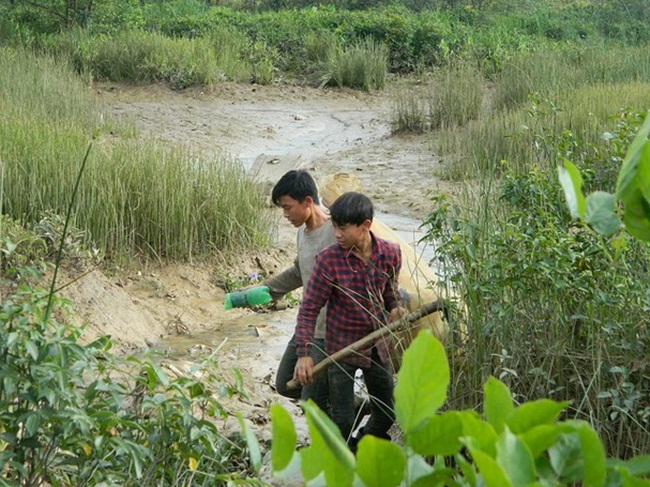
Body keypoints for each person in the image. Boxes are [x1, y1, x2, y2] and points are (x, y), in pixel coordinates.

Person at [294, 191, 402, 449]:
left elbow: (389, 291)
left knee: (387, 412)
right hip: (340, 351)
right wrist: (304, 354)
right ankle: (339, 461)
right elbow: (309, 308)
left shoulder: (390, 254)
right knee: (342, 420)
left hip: (377, 347)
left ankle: (362, 443)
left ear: (365, 226)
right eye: (335, 227)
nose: (337, 234)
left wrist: (395, 307)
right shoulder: (329, 260)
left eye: (343, 229)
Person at [260, 169, 337, 413]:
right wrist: (265, 290)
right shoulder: (303, 234)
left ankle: (333, 435)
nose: (284, 214)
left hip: (328, 332)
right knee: (284, 383)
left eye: (287, 207)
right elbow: (298, 271)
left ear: (307, 202)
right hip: (307, 327)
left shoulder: (336, 233)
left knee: (311, 400)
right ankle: (345, 408)